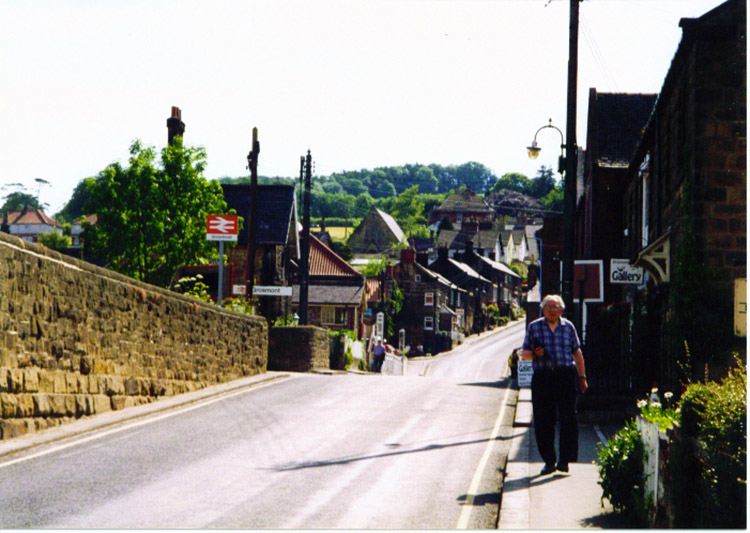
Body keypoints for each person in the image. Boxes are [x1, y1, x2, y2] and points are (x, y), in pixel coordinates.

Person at [522, 294, 588, 475]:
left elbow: (577, 353)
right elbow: (524, 353)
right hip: (543, 377)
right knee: (544, 420)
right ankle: (549, 461)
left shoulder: (568, 327)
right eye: (549, 306)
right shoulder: (534, 327)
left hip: (565, 376)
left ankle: (564, 461)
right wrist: (535, 354)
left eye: (555, 306)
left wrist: (582, 377)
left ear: (561, 309)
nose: (552, 309)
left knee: (568, 419)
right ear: (543, 309)